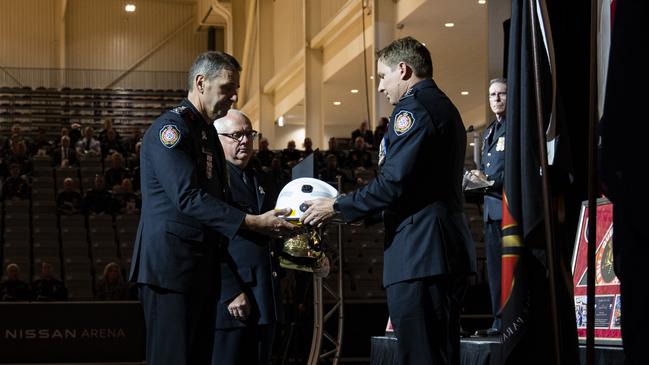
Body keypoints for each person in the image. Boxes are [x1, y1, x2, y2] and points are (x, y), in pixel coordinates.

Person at [301, 37, 476, 364]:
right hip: (436, 251)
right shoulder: (441, 106)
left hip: (421, 253)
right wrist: (358, 212)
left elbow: (393, 183)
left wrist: (337, 206)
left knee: (420, 355)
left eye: (382, 76)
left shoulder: (413, 110)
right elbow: (413, 189)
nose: (381, 87)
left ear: (403, 70)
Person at [128, 51, 295, 365]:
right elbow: (188, 197)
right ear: (201, 83)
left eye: (235, 89)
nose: (233, 96)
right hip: (170, 271)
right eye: (227, 88)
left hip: (200, 272)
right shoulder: (172, 129)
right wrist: (253, 222)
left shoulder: (205, 134)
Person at [212, 109, 283, 365]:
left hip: (266, 295)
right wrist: (229, 290)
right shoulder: (211, 181)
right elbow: (208, 241)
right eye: (235, 135)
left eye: (248, 134)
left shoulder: (264, 177)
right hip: (233, 299)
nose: (244, 140)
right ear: (216, 138)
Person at [473, 78, 507, 336]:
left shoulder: (514, 127)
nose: (495, 99)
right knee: (495, 271)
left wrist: (486, 182)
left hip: (508, 210)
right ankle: (499, 320)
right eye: (492, 94)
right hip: (490, 210)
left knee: (510, 268)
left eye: (501, 94)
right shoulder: (489, 132)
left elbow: (512, 171)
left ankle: (511, 319)